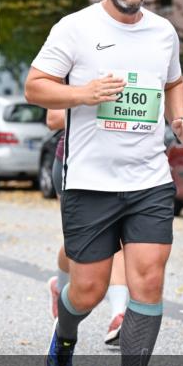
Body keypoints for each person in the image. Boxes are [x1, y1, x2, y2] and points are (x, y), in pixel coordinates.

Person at [24, 0, 183, 366]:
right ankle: (66, 328)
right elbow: (36, 85)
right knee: (89, 290)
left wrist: (180, 120)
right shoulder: (75, 28)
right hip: (90, 181)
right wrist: (83, 93)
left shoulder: (163, 32)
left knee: (149, 280)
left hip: (149, 178)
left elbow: (173, 82)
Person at [44, 108, 130, 345]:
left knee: (117, 238)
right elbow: (53, 119)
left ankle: (118, 316)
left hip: (119, 164)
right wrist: (101, 108)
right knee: (78, 243)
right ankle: (60, 289)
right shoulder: (74, 71)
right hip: (74, 164)